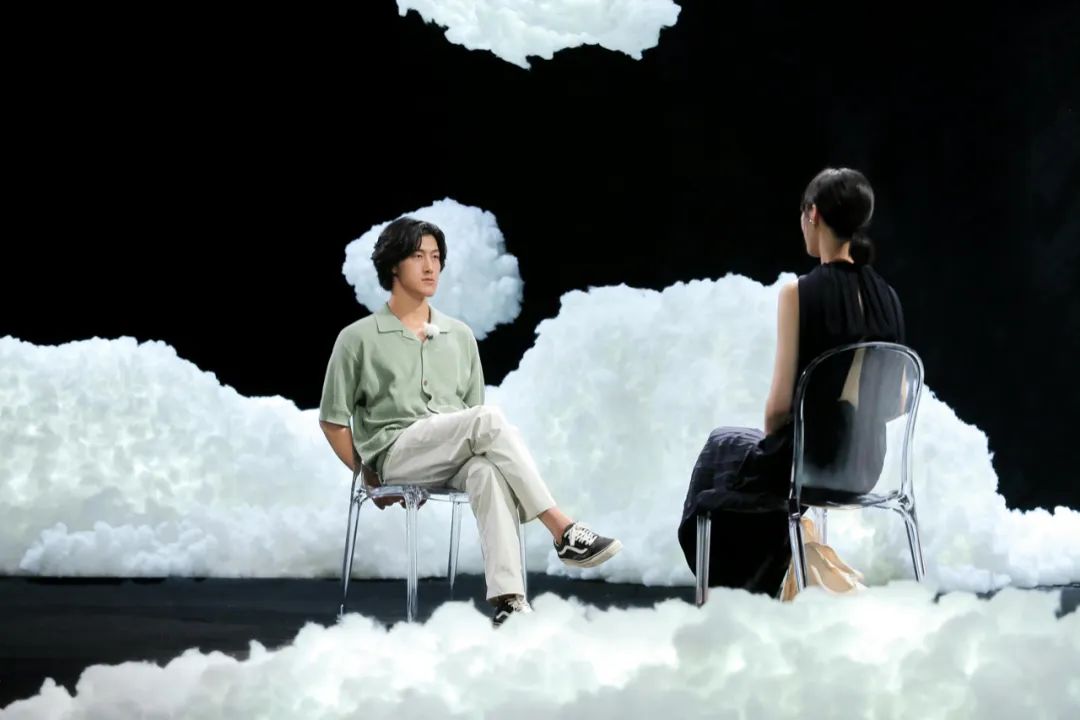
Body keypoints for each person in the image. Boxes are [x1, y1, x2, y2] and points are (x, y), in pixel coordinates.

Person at [319, 216, 622, 626]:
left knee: (486, 470)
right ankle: (562, 529)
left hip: (451, 451)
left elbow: (476, 423)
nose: (430, 267)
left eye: (436, 257)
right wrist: (366, 474)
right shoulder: (358, 338)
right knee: (487, 419)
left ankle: (509, 601)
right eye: (418, 256)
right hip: (396, 454)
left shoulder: (459, 336)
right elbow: (333, 421)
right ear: (393, 266)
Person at [678, 168, 906, 597]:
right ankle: (796, 566)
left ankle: (741, 589)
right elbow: (897, 403)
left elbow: (778, 410)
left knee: (722, 444)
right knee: (743, 458)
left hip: (808, 466)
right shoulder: (888, 297)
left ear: (812, 214)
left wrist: (782, 445)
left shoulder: (798, 293)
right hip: (866, 465)